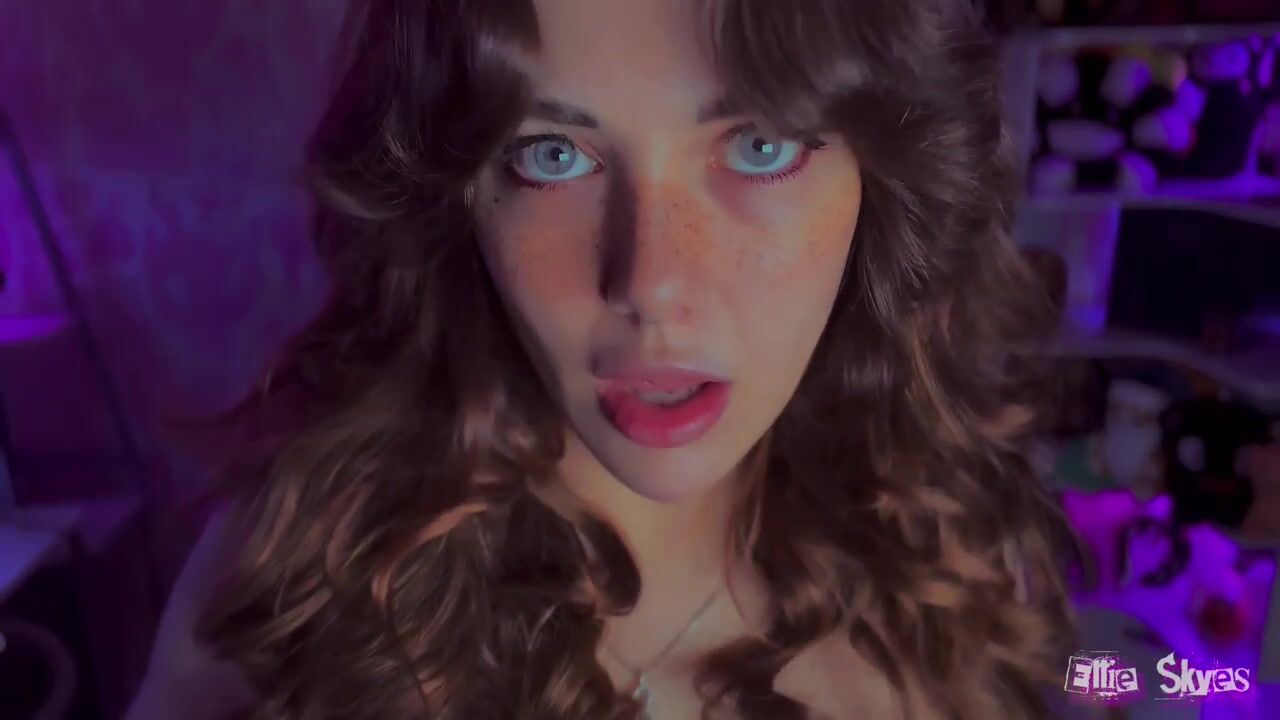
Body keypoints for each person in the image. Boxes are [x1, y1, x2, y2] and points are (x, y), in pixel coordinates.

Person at [128, 0, 1079, 718]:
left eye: (760, 145)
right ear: (457, 196)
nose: (651, 284)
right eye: (550, 156)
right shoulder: (296, 591)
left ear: (885, 182)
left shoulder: (955, 553)